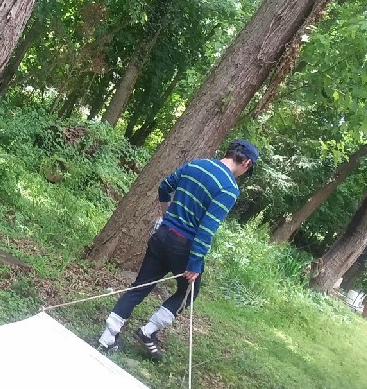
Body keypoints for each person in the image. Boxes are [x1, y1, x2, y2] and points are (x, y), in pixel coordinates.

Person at [98, 140, 259, 360]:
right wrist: (194, 264)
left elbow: (164, 187)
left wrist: (167, 216)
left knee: (140, 286)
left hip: (162, 235)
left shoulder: (197, 164)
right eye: (247, 170)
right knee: (188, 293)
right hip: (183, 247)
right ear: (246, 162)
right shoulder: (228, 188)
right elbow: (206, 228)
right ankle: (148, 332)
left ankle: (107, 338)